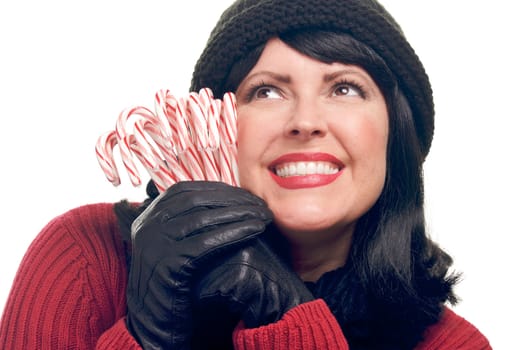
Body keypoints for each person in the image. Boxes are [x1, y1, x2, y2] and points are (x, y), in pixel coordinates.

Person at [0, 0, 492, 349]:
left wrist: (288, 321)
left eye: (344, 88)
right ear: (214, 123)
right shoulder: (85, 255)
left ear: (395, 132)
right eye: (267, 91)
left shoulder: (452, 346)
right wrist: (147, 336)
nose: (305, 121)